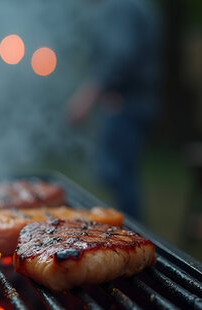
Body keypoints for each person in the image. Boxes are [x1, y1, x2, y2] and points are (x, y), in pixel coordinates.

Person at [66, 0, 161, 220]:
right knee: (120, 175)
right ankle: (130, 231)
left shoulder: (121, 6)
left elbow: (119, 55)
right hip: (135, 100)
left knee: (118, 176)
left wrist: (86, 97)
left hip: (126, 103)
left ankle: (131, 236)